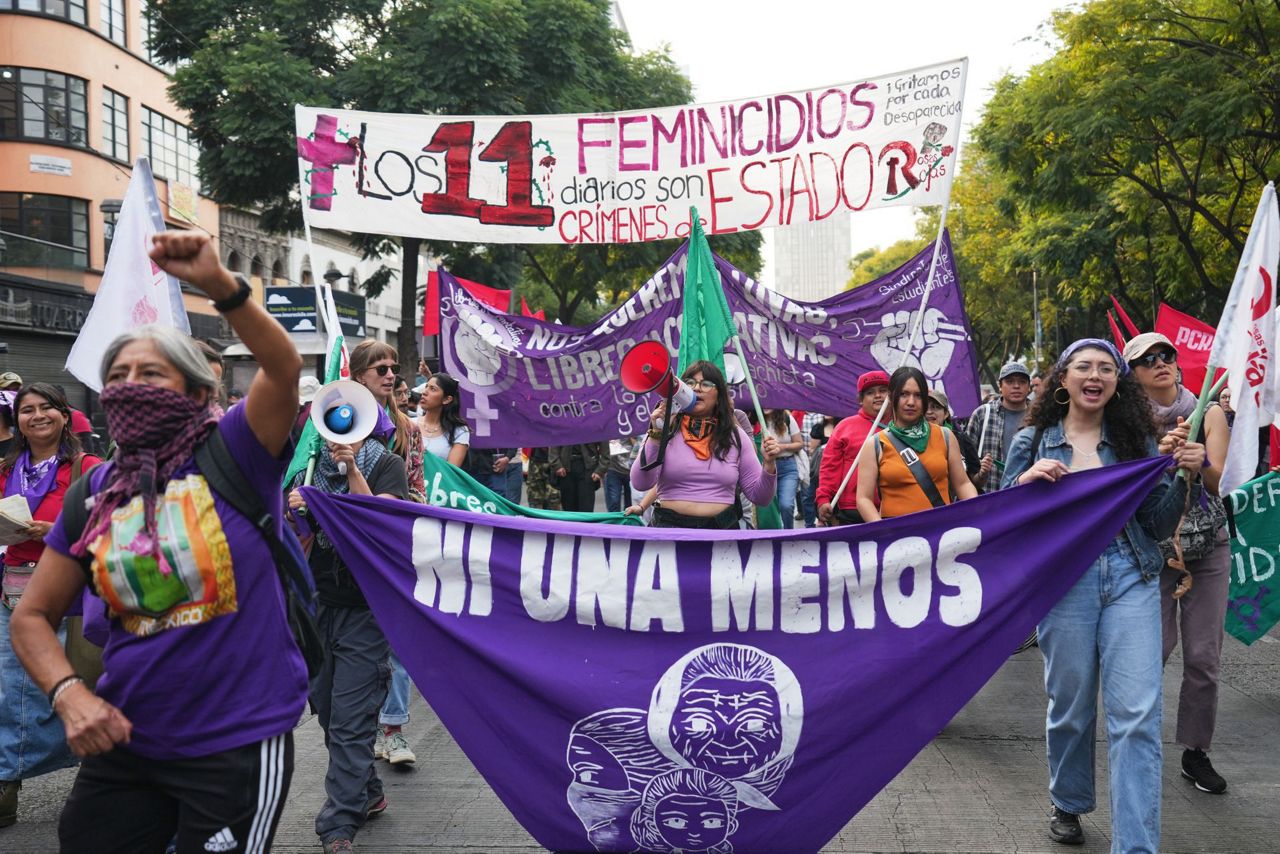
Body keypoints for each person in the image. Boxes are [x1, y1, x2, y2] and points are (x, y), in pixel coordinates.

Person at [9, 231, 306, 853]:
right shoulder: (94, 494)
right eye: (118, 375)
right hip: (126, 737)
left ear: (198, 394)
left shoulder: (236, 453)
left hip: (236, 740)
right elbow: (32, 616)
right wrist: (69, 696)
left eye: (150, 373)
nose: (130, 384)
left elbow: (283, 368)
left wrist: (219, 283)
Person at [1001, 338, 1205, 851]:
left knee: (1136, 719)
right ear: (1063, 379)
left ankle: (1135, 845)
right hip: (1064, 582)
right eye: (1084, 367)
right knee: (1071, 708)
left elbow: (1157, 524)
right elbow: (1001, 519)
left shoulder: (1136, 442)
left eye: (1106, 368)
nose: (1095, 376)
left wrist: (1185, 475)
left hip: (1132, 576)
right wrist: (1025, 482)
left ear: (1118, 382)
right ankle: (1068, 800)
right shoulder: (1032, 441)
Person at [288, 432, 408, 853]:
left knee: (350, 720)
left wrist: (353, 470)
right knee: (326, 708)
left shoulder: (386, 465)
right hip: (318, 606)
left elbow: (377, 520)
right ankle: (368, 790)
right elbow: (293, 538)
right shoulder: (307, 469)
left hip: (365, 610)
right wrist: (295, 510)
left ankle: (338, 823)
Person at [1124, 332, 1232, 795]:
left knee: (1204, 657)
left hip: (1208, 546)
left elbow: (1219, 482)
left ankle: (1196, 751)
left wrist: (1200, 459)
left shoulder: (1208, 412)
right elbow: (1122, 483)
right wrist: (1159, 455)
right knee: (1153, 651)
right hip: (1154, 550)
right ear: (1133, 374)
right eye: (1147, 359)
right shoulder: (1126, 420)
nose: (1160, 363)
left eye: (1166, 354)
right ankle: (1138, 742)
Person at [0, 383, 102, 828]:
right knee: (12, 691)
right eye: (27, 410)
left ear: (65, 415)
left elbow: (111, 521)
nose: (37, 416)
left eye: (47, 408)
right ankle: (7, 782)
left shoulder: (88, 468)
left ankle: (98, 768)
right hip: (14, 590)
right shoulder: (5, 469)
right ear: (17, 421)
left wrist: (56, 529)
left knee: (80, 685)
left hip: (73, 596)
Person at [630, 361, 778, 529]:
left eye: (706, 384)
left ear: (719, 396)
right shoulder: (664, 429)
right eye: (690, 383)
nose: (696, 388)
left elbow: (761, 498)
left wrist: (769, 464)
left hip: (721, 534)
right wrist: (657, 435)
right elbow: (640, 483)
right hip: (669, 531)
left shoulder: (736, 436)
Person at [854, 368, 977, 521]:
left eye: (918, 395)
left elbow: (963, 484)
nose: (911, 402)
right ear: (891, 397)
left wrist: (978, 514)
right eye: (904, 394)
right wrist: (882, 530)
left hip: (941, 530)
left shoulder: (945, 436)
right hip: (896, 532)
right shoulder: (875, 444)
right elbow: (863, 499)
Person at [350, 341, 424, 502]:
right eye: (382, 369)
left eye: (394, 369)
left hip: (393, 513)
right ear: (360, 376)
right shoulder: (340, 422)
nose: (390, 375)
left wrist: (395, 501)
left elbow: (417, 488)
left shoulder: (409, 428)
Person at [816, 370, 889, 525]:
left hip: (893, 508)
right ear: (861, 400)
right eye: (870, 392)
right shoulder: (845, 427)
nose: (878, 395)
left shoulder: (902, 425)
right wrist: (824, 498)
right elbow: (830, 466)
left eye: (883, 391)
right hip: (852, 509)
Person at [965, 360, 1032, 492]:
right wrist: (980, 474)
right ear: (1000, 386)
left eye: (1022, 382)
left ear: (1029, 387)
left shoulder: (1039, 417)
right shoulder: (982, 414)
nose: (1016, 386)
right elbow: (965, 461)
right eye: (1010, 381)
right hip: (988, 495)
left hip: (1027, 494)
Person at [925, 388, 986, 488]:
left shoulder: (961, 439)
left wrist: (982, 474)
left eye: (935, 407)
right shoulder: (912, 440)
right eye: (925, 407)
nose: (929, 412)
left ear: (946, 414)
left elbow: (975, 481)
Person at [761, 409, 804, 529]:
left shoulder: (787, 418)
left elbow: (799, 443)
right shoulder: (754, 420)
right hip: (764, 469)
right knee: (768, 509)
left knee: (786, 505)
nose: (766, 404)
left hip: (787, 467)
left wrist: (781, 447)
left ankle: (788, 535)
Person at [551, 442, 609, 512]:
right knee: (568, 509)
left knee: (586, 509)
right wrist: (557, 465)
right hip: (565, 469)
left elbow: (605, 447)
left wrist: (600, 470)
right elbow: (553, 441)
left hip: (588, 469)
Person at [604, 437, 639, 514]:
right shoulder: (609, 430)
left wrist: (632, 437)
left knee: (631, 503)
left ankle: (628, 521)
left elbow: (639, 445)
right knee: (614, 501)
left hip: (632, 469)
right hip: (613, 468)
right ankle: (614, 521)